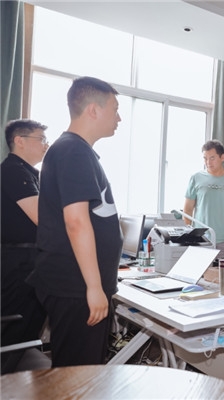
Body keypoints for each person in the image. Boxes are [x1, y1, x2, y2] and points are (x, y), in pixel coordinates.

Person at [27, 76, 123, 367]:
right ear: (93, 110)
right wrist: (93, 287)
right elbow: (76, 222)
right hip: (76, 286)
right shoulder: (74, 151)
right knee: (78, 375)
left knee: (79, 371)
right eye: (115, 109)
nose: (118, 118)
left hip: (75, 284)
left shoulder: (75, 150)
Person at [1, 119, 49, 346]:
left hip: (25, 260)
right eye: (41, 139)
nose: (46, 145)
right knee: (16, 329)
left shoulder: (27, 172)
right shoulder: (14, 170)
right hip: (19, 263)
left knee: (28, 328)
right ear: (19, 141)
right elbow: (42, 217)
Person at [183, 140, 224, 260]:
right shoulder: (196, 178)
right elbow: (187, 210)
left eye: (212, 158)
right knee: (200, 272)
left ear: (222, 157)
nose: (208, 162)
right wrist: (188, 237)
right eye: (205, 158)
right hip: (200, 239)